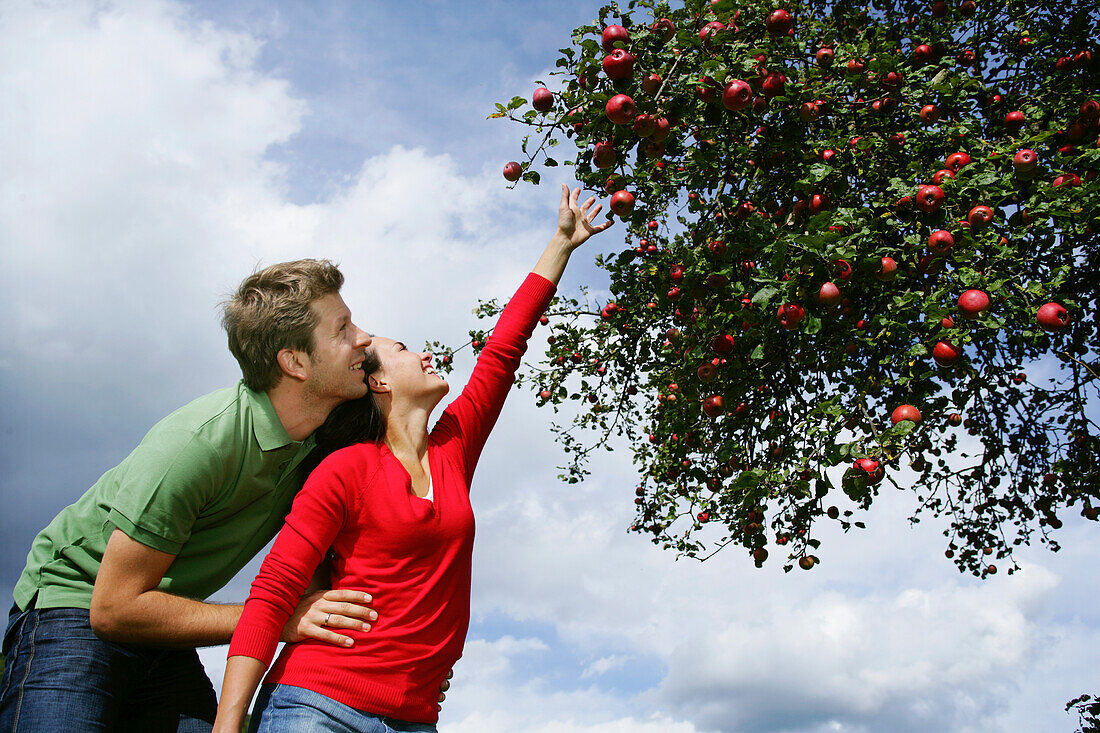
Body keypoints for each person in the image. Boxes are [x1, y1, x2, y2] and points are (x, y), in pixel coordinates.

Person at [213, 186, 612, 733]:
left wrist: (560, 246)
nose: (426, 353)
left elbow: (503, 351)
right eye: (403, 349)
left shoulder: (453, 451)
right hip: (316, 706)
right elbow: (273, 592)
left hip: (414, 719)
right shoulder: (346, 470)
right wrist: (227, 724)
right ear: (376, 380)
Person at [0, 259, 383, 732]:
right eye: (343, 328)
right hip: (76, 605)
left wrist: (407, 659)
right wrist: (274, 618)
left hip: (162, 624)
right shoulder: (199, 443)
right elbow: (113, 608)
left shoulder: (322, 448)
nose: (363, 337)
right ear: (296, 362)